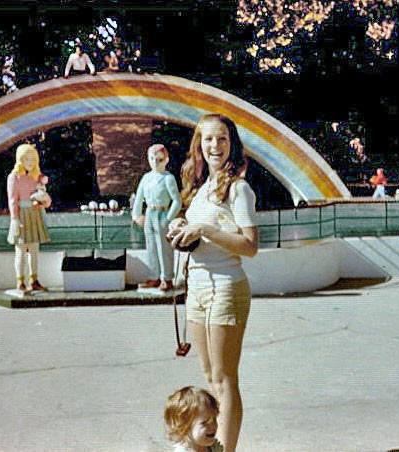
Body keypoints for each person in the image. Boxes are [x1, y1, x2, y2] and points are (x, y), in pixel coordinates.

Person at [168, 113, 258, 452]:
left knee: (224, 379)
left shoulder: (239, 189)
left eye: (222, 138)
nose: (215, 146)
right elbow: (199, 234)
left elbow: (250, 246)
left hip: (226, 287)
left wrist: (205, 230)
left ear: (232, 144)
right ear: (199, 145)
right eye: (208, 139)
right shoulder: (202, 187)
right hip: (197, 288)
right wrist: (180, 227)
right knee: (209, 376)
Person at [132, 144, 182, 291]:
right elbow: (139, 198)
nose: (155, 162)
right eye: (152, 159)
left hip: (162, 213)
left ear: (166, 160)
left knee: (164, 247)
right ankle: (154, 276)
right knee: (151, 246)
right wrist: (136, 215)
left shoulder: (168, 178)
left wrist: (168, 218)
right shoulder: (146, 178)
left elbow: (177, 201)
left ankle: (167, 278)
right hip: (149, 213)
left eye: (159, 159)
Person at [7, 143, 51, 294]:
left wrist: (43, 202)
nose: (30, 162)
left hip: (34, 214)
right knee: (20, 250)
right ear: (20, 160)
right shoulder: (14, 177)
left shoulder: (36, 176)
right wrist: (14, 219)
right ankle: (20, 282)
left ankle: (34, 280)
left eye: (33, 159)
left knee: (34, 250)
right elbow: (12, 200)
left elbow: (44, 196)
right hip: (21, 216)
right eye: (27, 159)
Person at [164, 386, 223, 452]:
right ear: (184, 426)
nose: (213, 426)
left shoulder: (213, 447)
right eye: (204, 422)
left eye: (214, 420)